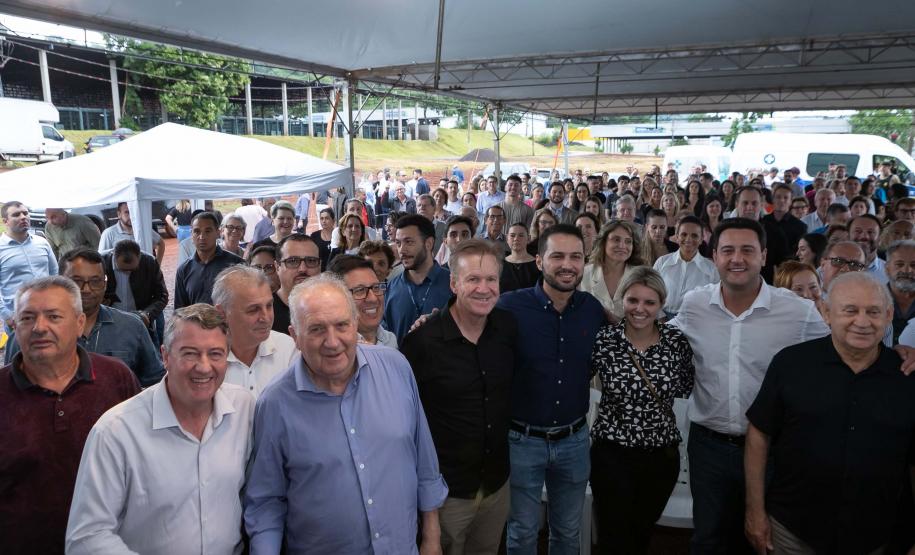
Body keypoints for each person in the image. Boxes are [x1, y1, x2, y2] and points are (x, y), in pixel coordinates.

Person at [244, 274, 448, 552]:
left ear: (355, 325)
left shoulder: (396, 367)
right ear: (295, 336)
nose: (332, 341)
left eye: (341, 325)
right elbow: (267, 500)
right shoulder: (275, 403)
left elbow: (424, 460)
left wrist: (432, 538)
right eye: (316, 329)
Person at [668, 218, 831, 553]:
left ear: (764, 255)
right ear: (714, 256)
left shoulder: (797, 312)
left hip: (773, 451)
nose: (736, 259)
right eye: (727, 250)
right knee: (708, 538)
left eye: (747, 250)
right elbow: (657, 338)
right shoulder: (694, 305)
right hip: (708, 448)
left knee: (762, 540)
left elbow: (839, 350)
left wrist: (900, 350)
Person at [744, 272, 915, 555]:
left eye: (873, 311)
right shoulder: (791, 364)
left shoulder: (907, 376)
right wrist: (755, 512)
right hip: (791, 530)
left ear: (888, 315)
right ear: (826, 312)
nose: (862, 322)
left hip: (875, 534)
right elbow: (759, 435)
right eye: (850, 310)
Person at [65, 304, 255, 554]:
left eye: (216, 354)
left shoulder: (244, 409)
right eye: (190, 353)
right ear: (165, 356)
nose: (204, 367)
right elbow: (86, 537)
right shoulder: (116, 432)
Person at [0, 276, 139, 554]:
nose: (40, 327)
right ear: (15, 327)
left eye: (53, 316)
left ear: (79, 323)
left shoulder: (116, 378)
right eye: (27, 318)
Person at [497, 224, 607, 553]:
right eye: (557, 256)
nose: (567, 264)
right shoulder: (508, 308)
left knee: (568, 532)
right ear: (539, 261)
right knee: (522, 532)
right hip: (521, 441)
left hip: (574, 441)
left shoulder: (592, 309)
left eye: (575, 257)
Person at [402, 239, 516, 554]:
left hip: (495, 486)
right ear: (454, 283)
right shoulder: (422, 343)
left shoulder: (507, 328)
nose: (484, 288)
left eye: (491, 279)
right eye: (473, 279)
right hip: (446, 494)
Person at [590, 267, 695, 554]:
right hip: (612, 453)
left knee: (641, 533)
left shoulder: (676, 342)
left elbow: (685, 385)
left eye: (650, 302)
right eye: (633, 300)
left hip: (660, 456)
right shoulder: (605, 340)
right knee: (613, 535)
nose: (640, 309)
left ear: (661, 305)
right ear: (622, 300)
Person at [6, 247, 165, 385]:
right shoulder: (28, 335)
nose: (86, 289)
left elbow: (154, 381)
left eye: (95, 281)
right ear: (60, 281)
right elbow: (11, 387)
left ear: (105, 283)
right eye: (76, 281)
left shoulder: (131, 327)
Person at [214, 265, 298, 398]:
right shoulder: (206, 361)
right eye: (253, 310)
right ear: (222, 313)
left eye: (269, 306)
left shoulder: (289, 350)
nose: (266, 317)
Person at [384, 214, 452, 344]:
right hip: (400, 363)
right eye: (398, 243)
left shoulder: (453, 285)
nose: (402, 250)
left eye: (409, 242)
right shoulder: (391, 288)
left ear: (429, 243)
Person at [0, 201, 58, 329]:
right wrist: (7, 316)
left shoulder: (42, 242)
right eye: (16, 215)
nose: (23, 217)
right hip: (18, 317)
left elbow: (55, 274)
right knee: (20, 349)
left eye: (25, 213)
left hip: (48, 310)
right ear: (5, 221)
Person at [101, 239, 168, 340]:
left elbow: (162, 296)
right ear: (113, 256)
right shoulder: (101, 262)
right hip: (108, 323)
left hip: (140, 324)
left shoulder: (149, 262)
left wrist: (147, 314)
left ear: (139, 256)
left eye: (132, 270)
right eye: (122, 270)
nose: (127, 273)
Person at [174, 212, 244, 308]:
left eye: (208, 231)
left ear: (218, 233)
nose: (202, 237)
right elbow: (180, 310)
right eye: (197, 231)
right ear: (191, 234)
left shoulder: (237, 265)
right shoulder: (184, 270)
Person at [653, 215, 719, 318]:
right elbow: (651, 292)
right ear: (677, 236)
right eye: (684, 234)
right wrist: (661, 318)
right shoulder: (662, 262)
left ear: (702, 239)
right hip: (662, 320)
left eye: (694, 236)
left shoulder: (712, 270)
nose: (688, 239)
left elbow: (715, 303)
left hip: (695, 323)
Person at [580, 220, 644, 321]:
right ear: (603, 242)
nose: (622, 246)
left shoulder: (641, 276)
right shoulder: (584, 274)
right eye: (616, 240)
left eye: (628, 241)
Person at [328, 254, 397, 348]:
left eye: (376, 287)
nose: (373, 298)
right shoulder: (334, 349)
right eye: (360, 290)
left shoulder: (390, 340)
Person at [273, 233, 322, 334]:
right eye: (293, 261)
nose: (302, 269)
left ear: (320, 266)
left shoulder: (332, 309)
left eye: (311, 261)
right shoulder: (264, 313)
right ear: (277, 267)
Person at [98, 202, 165, 263]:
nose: (131, 216)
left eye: (133, 211)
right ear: (119, 214)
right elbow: (101, 257)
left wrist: (157, 265)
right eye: (127, 212)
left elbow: (161, 243)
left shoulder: (143, 229)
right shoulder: (108, 233)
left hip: (145, 274)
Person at [884, 239, 915, 345]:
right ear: (887, 268)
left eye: (914, 265)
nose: (907, 271)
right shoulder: (870, 300)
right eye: (899, 264)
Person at [761, 184, 807, 253]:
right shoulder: (763, 222)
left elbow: (799, 253)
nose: (782, 200)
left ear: (791, 201)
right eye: (778, 197)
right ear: (773, 199)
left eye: (786, 198)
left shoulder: (800, 226)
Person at [501, 222, 540, 294]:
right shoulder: (499, 264)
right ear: (507, 238)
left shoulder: (538, 265)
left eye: (521, 235)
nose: (516, 239)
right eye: (512, 235)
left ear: (528, 238)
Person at [849, 214, 889, 284]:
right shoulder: (834, 268)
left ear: (880, 239)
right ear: (848, 236)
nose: (864, 236)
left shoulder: (890, 272)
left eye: (870, 232)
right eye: (858, 231)